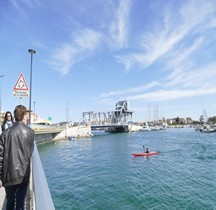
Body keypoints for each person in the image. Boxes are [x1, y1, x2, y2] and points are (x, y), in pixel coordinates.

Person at [0, 105, 35, 210]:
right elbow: (30, 152)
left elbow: (0, 156)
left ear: (15, 116)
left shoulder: (5, 133)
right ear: (24, 116)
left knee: (10, 202)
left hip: (8, 175)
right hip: (23, 175)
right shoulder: (30, 132)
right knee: (20, 204)